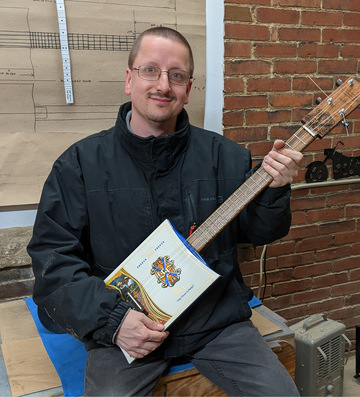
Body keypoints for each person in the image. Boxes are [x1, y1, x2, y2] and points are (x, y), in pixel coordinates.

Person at [28, 27, 303, 396]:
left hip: (215, 322)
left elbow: (261, 232)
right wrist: (114, 322)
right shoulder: (78, 165)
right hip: (126, 326)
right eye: (150, 70)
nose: (163, 85)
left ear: (188, 89)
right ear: (129, 79)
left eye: (177, 75)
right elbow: (53, 262)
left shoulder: (226, 157)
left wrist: (275, 190)